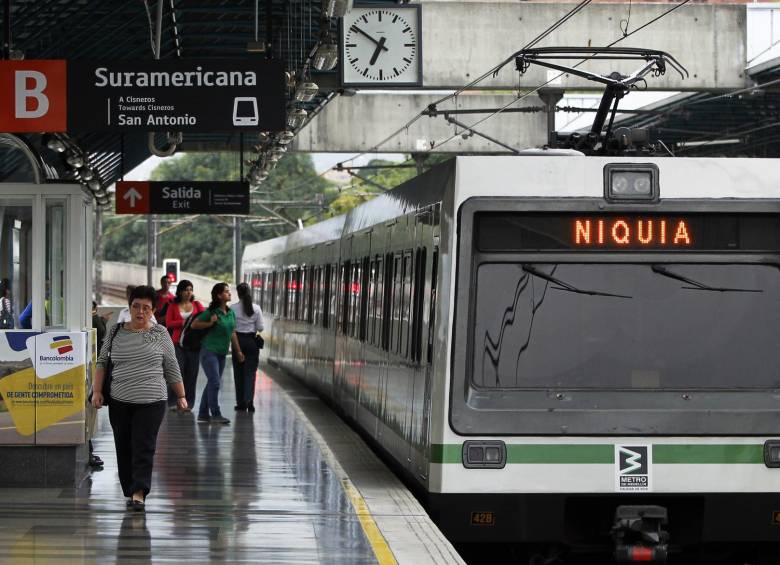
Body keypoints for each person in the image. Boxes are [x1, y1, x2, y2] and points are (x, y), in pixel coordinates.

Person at [91, 285, 185, 511]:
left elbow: (171, 366)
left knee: (143, 446)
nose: (140, 312)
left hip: (151, 401)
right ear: (129, 306)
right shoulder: (115, 331)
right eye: (136, 306)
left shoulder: (160, 334)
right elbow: (102, 363)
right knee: (124, 446)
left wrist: (181, 395)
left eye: (146, 308)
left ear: (153, 311)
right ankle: (130, 488)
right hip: (120, 400)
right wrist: (97, 391)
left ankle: (139, 492)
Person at [191, 282, 244, 425]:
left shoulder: (230, 312)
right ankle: (215, 414)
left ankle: (203, 413)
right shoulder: (212, 312)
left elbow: (232, 332)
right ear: (219, 295)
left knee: (212, 382)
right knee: (215, 382)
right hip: (209, 351)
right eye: (226, 292)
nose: (230, 293)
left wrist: (238, 350)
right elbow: (194, 324)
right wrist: (209, 323)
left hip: (222, 353)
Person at [165, 279, 204, 412]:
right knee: (177, 372)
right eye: (186, 289)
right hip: (177, 343)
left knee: (192, 373)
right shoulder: (173, 306)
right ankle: (172, 401)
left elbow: (203, 318)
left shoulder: (197, 305)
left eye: (190, 289)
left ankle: (189, 403)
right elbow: (169, 323)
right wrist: (185, 322)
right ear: (180, 291)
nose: (188, 292)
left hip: (193, 343)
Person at [231, 282, 264, 412]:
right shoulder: (256, 308)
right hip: (251, 342)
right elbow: (261, 328)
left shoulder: (232, 308)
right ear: (249, 292)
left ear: (238, 293)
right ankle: (249, 401)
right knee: (250, 373)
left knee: (238, 374)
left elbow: (231, 327)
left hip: (237, 341)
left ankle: (240, 404)